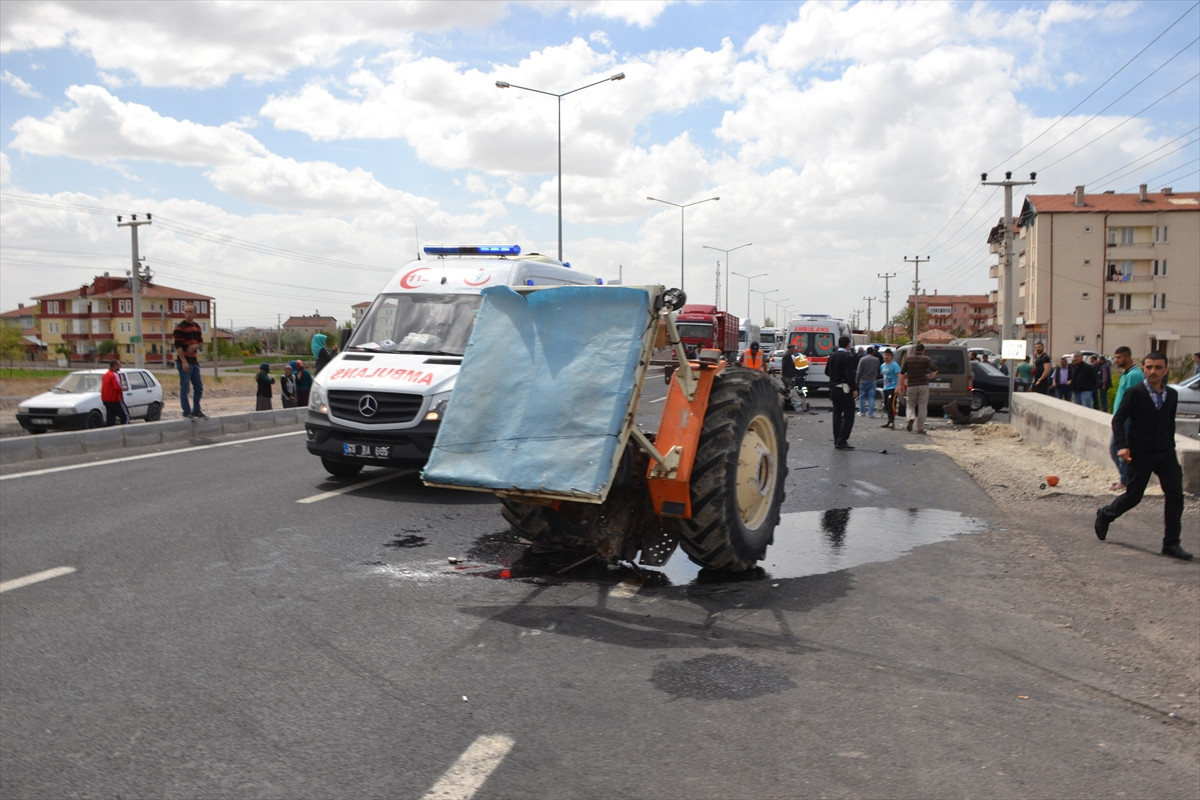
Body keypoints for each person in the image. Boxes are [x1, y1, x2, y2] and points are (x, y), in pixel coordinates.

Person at [1094, 352, 1191, 561]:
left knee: (1175, 496)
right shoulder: (1135, 393)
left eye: (1158, 367)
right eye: (1149, 367)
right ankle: (1105, 514)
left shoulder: (1171, 395)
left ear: (1166, 370)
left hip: (1165, 453)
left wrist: (1170, 446)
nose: (1153, 371)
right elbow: (1118, 420)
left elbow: (1169, 423)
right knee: (1133, 496)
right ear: (1144, 368)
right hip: (1141, 453)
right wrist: (1122, 446)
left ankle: (1171, 543)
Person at [1108, 346, 1143, 492]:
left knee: (1120, 448)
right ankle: (1125, 477)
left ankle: (1126, 480)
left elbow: (1132, 399)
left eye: (1119, 357)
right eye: (1115, 357)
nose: (1116, 360)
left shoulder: (1134, 375)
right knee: (1114, 448)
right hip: (1121, 418)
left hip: (1127, 418)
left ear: (1127, 357)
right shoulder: (1126, 374)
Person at [173, 303, 207, 419]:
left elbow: (201, 343)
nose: (188, 314)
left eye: (190, 311)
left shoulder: (197, 327)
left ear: (195, 313)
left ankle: (196, 410)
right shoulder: (180, 328)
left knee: (198, 387)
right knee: (185, 388)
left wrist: (195, 346)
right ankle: (186, 412)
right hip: (184, 362)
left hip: (194, 361)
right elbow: (178, 347)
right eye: (186, 311)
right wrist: (184, 362)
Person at [826, 335, 858, 449]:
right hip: (844, 389)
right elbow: (849, 375)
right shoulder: (847, 356)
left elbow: (827, 372)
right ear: (848, 344)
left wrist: (835, 377)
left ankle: (837, 439)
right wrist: (854, 389)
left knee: (837, 415)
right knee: (849, 415)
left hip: (833, 388)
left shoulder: (832, 356)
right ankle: (842, 440)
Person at [901, 342, 937, 434]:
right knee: (922, 406)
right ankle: (920, 428)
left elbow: (902, 372)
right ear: (923, 351)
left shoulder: (908, 359)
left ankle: (911, 417)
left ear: (915, 350)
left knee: (910, 404)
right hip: (923, 385)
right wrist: (930, 376)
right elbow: (934, 369)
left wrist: (900, 385)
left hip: (911, 385)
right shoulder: (926, 359)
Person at [100, 358, 129, 426]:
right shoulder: (114, 374)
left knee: (110, 418)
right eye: (119, 365)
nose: (120, 367)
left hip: (106, 400)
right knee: (125, 416)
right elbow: (117, 386)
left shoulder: (106, 375)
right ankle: (125, 430)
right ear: (115, 365)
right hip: (115, 399)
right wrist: (125, 388)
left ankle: (111, 430)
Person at [855, 346, 880, 418]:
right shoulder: (876, 360)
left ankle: (862, 412)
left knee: (862, 396)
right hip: (872, 380)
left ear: (866, 352)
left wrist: (857, 380)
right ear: (873, 352)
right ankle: (871, 413)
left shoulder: (862, 359)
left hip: (863, 379)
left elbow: (859, 371)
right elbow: (877, 369)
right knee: (871, 397)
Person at [879, 348, 900, 429]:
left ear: (891, 356)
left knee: (891, 404)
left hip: (893, 388)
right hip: (886, 387)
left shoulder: (895, 365)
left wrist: (898, 387)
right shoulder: (882, 366)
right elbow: (883, 375)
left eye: (888, 355)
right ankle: (889, 421)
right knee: (886, 405)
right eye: (885, 355)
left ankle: (892, 422)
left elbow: (899, 376)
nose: (886, 356)